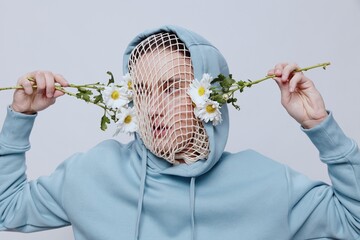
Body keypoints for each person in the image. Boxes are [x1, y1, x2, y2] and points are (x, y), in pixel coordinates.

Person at [0, 25, 359, 240]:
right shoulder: (92, 173)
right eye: (142, 89)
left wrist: (320, 126)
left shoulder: (266, 183)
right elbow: (7, 209)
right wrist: (20, 116)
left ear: (211, 95)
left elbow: (353, 221)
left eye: (171, 87)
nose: (153, 107)